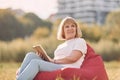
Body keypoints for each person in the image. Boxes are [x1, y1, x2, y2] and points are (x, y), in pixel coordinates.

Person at [16, 17, 87, 80]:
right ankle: (20, 76)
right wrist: (45, 58)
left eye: (73, 26)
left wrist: (53, 61)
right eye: (67, 27)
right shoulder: (61, 46)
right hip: (57, 65)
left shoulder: (79, 41)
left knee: (35, 63)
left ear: (76, 28)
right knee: (31, 55)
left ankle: (21, 77)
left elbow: (73, 58)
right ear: (63, 30)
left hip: (68, 68)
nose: (70, 28)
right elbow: (55, 61)